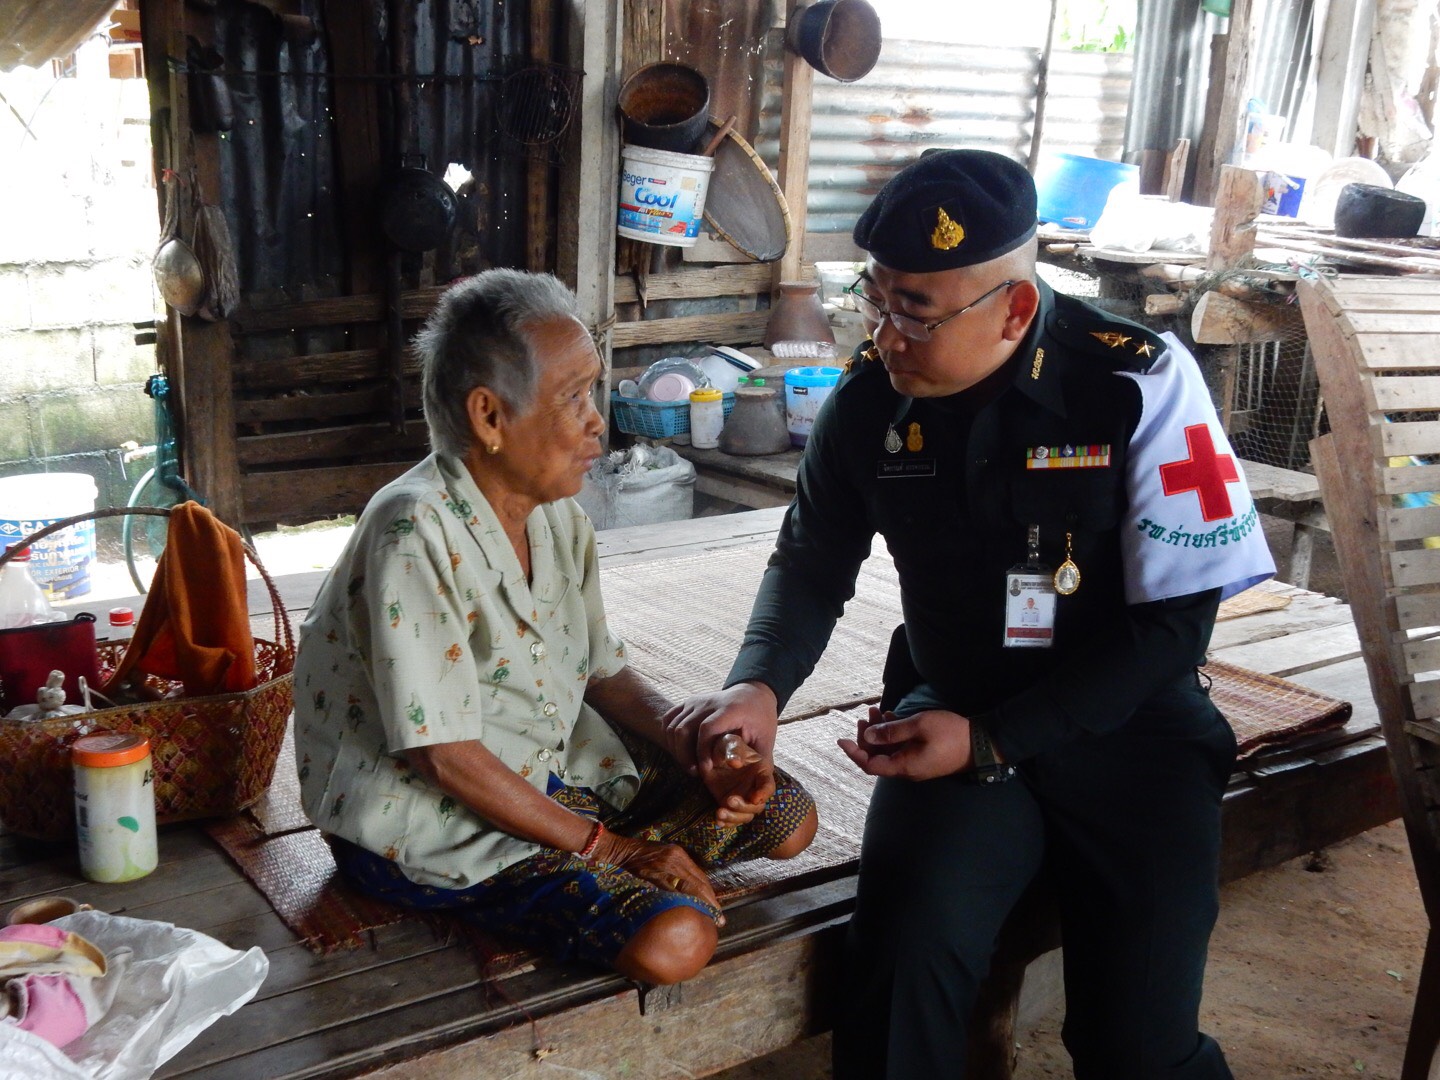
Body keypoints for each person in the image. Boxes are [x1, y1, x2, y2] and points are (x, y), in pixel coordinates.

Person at [662, 150, 1274, 1076]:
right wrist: (758, 683)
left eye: (916, 309)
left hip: (1131, 734)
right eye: (877, 299)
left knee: (1138, 1046)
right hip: (947, 721)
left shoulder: (1135, 382)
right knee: (900, 974)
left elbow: (1173, 631)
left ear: (1015, 309)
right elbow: (812, 559)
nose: (886, 333)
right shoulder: (871, 399)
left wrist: (992, 737)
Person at [292, 268, 817, 987]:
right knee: (675, 945)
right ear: (489, 417)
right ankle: (589, 858)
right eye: (573, 398)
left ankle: (610, 847)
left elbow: (600, 669)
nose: (597, 419)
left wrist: (696, 741)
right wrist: (614, 850)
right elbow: (441, 757)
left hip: (553, 772)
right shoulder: (414, 531)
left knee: (788, 816)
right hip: (429, 820)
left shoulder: (557, 512)